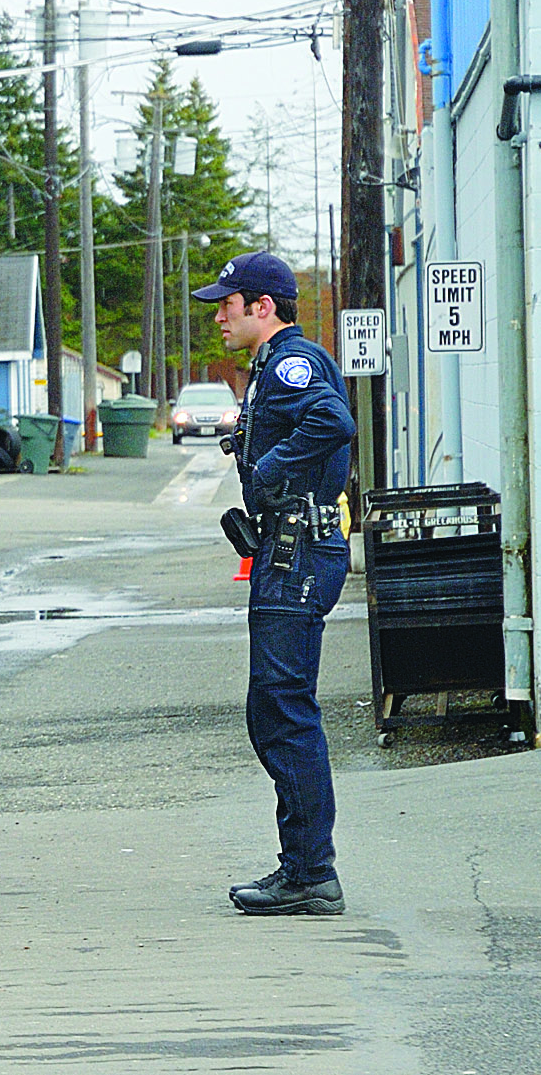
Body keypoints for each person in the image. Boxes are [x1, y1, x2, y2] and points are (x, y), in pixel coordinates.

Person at [192, 251, 355, 916]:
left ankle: (312, 870)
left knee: (283, 708)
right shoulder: (268, 368)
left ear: (264, 305)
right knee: (273, 709)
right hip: (286, 551)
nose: (219, 317)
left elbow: (334, 420)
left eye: (228, 304)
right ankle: (305, 864)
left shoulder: (292, 361)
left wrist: (267, 468)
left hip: (301, 552)